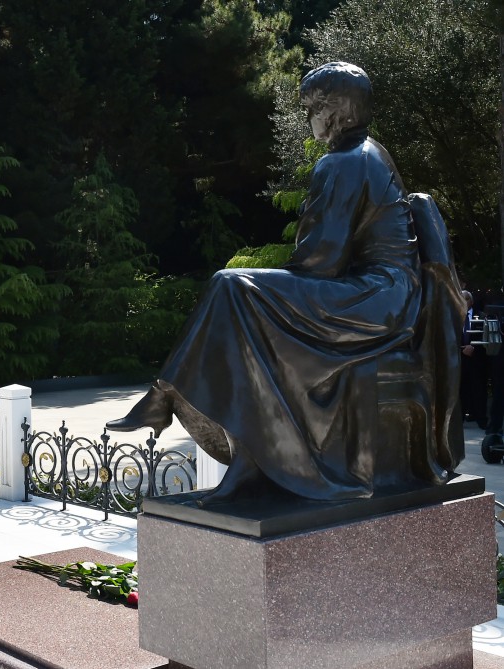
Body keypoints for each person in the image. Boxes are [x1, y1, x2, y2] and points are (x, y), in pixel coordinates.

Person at [107, 62, 463, 503]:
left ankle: (167, 396)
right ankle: (244, 459)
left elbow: (319, 263)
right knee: (240, 298)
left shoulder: (345, 162)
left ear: (334, 110)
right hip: (386, 295)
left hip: (377, 298)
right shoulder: (368, 152)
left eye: (311, 107)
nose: (307, 118)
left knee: (232, 286)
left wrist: (275, 282)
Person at [459, 290, 488, 428]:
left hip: (476, 360)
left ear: (472, 301)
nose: (463, 302)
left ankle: (481, 419)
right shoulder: (453, 317)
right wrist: (462, 349)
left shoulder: (481, 317)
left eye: (466, 299)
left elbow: (485, 337)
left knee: (478, 389)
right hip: (459, 359)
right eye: (461, 299)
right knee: (461, 390)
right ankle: (459, 419)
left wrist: (473, 348)